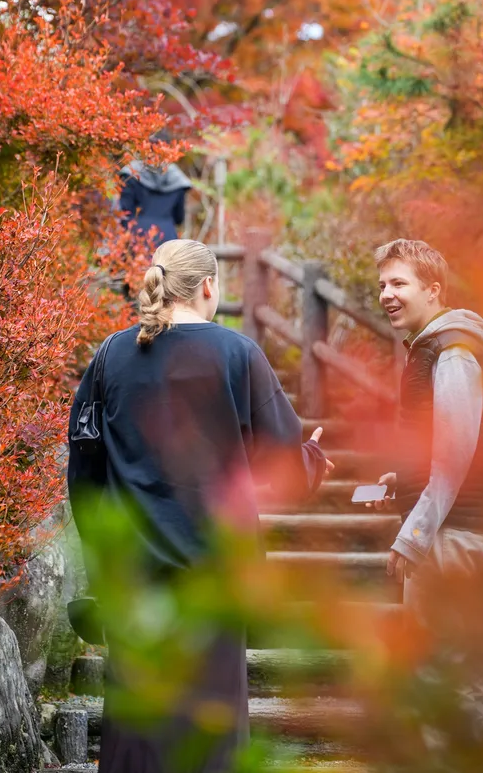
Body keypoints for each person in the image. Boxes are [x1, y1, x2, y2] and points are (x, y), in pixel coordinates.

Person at [67, 238, 332, 773]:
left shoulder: (110, 357)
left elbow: (84, 473)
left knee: (136, 733)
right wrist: (316, 460)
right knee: (210, 735)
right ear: (210, 286)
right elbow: (282, 466)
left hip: (135, 582)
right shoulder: (238, 356)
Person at [372, 238, 483, 737]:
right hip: (455, 531)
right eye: (382, 285)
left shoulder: (452, 350)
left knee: (446, 677)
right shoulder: (436, 347)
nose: (386, 294)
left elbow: (456, 452)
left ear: (433, 290)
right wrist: (403, 480)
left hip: (459, 536)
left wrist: (413, 534)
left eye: (399, 283)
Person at [119, 157, 191, 244]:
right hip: (166, 237)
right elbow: (179, 218)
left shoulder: (132, 172)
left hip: (135, 234)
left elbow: (124, 209)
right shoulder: (176, 176)